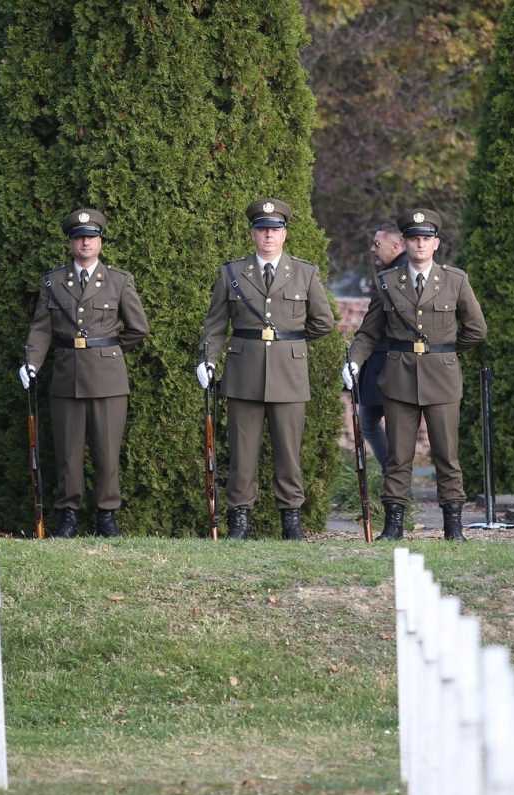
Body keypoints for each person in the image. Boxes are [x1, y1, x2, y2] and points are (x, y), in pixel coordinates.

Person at [343, 209, 487, 541]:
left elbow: (476, 330)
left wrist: (445, 352)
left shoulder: (455, 280)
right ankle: (393, 526)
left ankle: (453, 526)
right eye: (414, 238)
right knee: (398, 456)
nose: (420, 244)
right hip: (400, 378)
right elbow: (369, 332)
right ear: (405, 243)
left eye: (426, 238)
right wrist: (354, 361)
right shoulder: (387, 282)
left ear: (436, 243)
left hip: (442, 378)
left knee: (446, 455)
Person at [196, 198, 335, 540]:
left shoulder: (304, 272)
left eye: (275, 230)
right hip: (244, 373)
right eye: (262, 230)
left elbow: (323, 322)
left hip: (289, 374)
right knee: (242, 453)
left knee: (289, 452)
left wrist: (291, 342)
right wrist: (208, 359)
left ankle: (292, 521)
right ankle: (239, 521)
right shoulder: (232, 273)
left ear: (284, 234)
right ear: (252, 234)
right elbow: (215, 325)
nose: (268, 236)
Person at [17, 209, 149, 538]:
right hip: (67, 375)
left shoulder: (119, 280)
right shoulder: (53, 281)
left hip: (107, 378)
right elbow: (42, 329)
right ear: (70, 242)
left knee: (107, 451)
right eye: (79, 237)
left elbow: (138, 329)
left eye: (91, 237)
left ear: (100, 241)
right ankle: (68, 516)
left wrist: (107, 349)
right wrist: (32, 362)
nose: (85, 242)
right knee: (68, 451)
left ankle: (107, 515)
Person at [354, 223, 407, 475]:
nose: (372, 249)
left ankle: (394, 475)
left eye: (377, 244)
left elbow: (373, 328)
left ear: (395, 246)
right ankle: (395, 476)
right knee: (373, 422)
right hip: (384, 361)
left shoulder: (392, 277)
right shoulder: (390, 273)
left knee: (373, 422)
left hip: (388, 363)